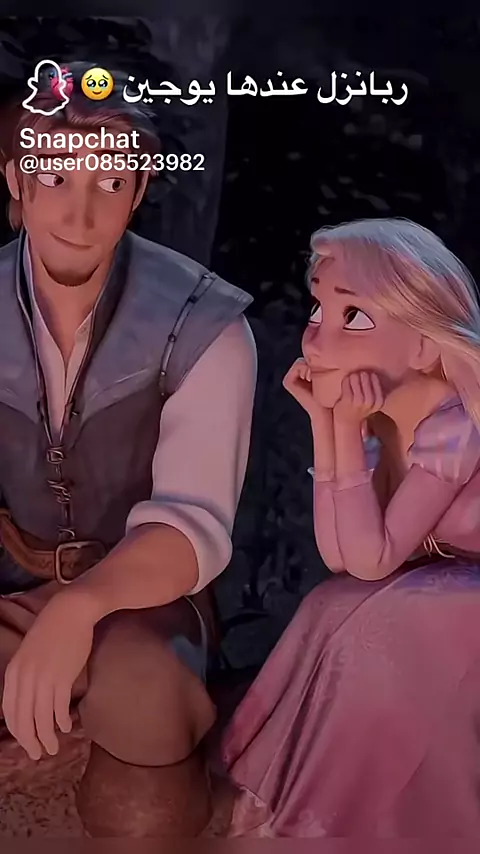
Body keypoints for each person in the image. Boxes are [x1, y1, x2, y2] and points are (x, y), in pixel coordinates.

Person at [0, 61, 257, 837]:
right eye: (55, 178)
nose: (79, 214)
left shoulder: (204, 325)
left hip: (148, 601)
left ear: (139, 189)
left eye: (109, 183)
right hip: (13, 582)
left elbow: (189, 526)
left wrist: (80, 607)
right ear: (16, 179)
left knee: (147, 714)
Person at [221, 217, 480, 837]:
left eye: (354, 317)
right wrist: (327, 422)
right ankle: (292, 800)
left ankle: (348, 819)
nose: (317, 336)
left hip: (461, 591)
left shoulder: (457, 425)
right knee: (327, 603)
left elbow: (374, 558)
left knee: (391, 618)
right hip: (433, 580)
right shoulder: (383, 415)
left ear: (424, 346)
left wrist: (340, 426)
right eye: (317, 310)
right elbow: (341, 558)